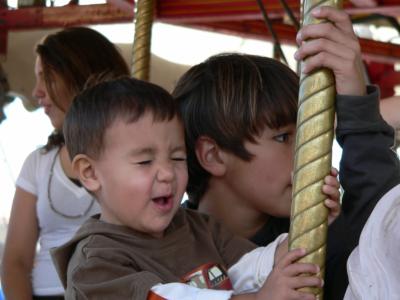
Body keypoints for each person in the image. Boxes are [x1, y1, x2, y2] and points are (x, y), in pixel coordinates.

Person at [172, 6, 400, 300]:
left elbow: (383, 227)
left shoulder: (322, 236)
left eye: (303, 135)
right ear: (213, 156)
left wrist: (338, 226)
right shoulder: (162, 248)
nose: (309, 154)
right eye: (282, 137)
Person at [51, 76, 341, 299]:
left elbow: (253, 267)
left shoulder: (200, 228)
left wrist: (311, 218)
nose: (167, 172)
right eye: (145, 161)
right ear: (90, 173)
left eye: (177, 157)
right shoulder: (96, 265)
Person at [1, 27, 130, 299]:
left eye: (45, 78)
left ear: (77, 76)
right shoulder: (38, 164)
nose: (36, 92)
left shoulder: (134, 156)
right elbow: (15, 262)